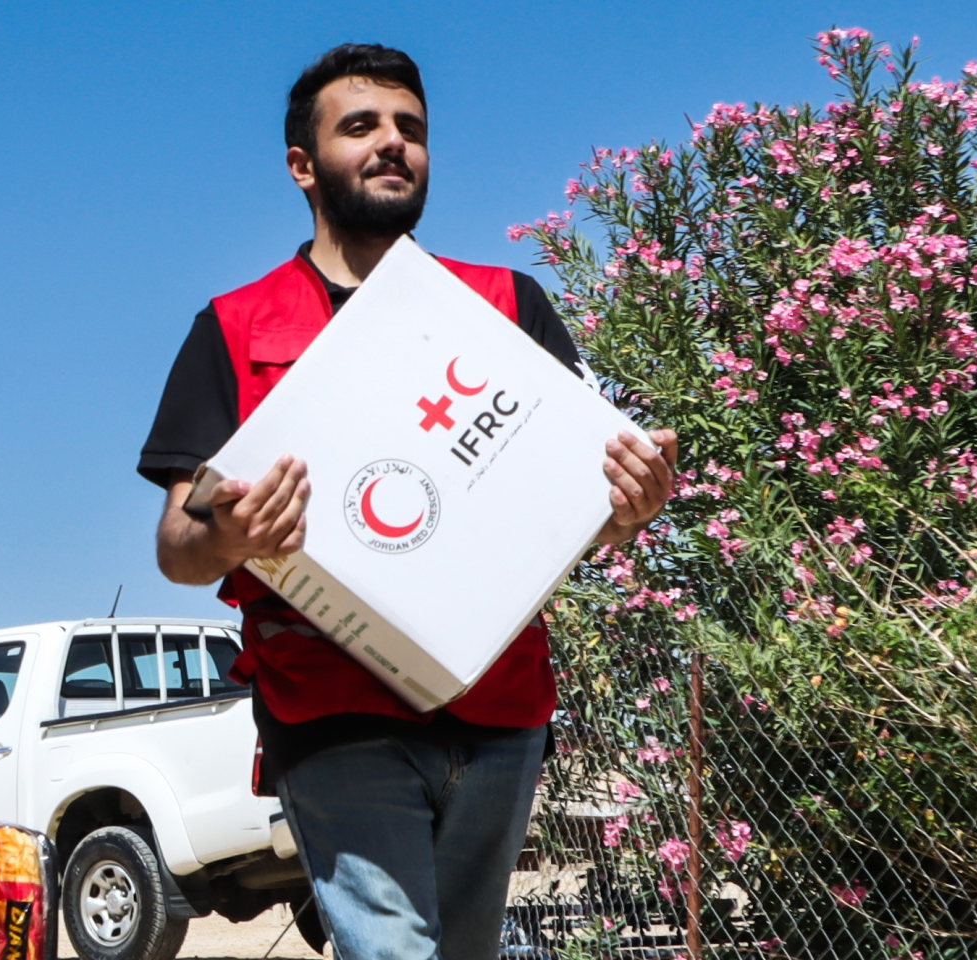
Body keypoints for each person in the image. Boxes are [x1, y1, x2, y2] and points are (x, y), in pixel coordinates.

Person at [140, 45, 679, 960]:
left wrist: (622, 509)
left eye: (411, 130)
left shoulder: (508, 305)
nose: (394, 144)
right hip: (332, 713)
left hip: (503, 709)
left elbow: (567, 515)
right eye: (362, 127)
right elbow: (177, 548)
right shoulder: (234, 327)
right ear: (302, 166)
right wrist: (226, 533)